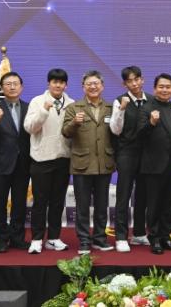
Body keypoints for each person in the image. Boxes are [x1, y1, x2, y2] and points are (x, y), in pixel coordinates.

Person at [62, 70, 115, 255]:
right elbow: (65, 132)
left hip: (104, 164)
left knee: (102, 206)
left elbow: (117, 132)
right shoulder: (73, 108)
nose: (93, 87)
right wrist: (74, 123)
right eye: (89, 84)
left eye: (96, 83)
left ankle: (100, 238)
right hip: (81, 165)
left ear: (102, 86)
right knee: (82, 207)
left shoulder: (111, 108)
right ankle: (84, 240)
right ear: (83, 87)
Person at [137, 73, 171, 255]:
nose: (164, 90)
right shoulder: (146, 108)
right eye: (161, 86)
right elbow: (139, 135)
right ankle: (154, 238)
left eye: (168, 87)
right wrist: (151, 123)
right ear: (154, 89)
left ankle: (166, 236)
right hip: (153, 164)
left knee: (168, 203)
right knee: (154, 203)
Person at [24, 68, 73, 254]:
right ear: (48, 83)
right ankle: (36, 239)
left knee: (57, 202)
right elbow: (30, 127)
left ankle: (53, 238)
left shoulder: (72, 104)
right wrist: (44, 110)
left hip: (63, 159)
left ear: (66, 85)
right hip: (41, 159)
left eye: (61, 82)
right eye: (54, 82)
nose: (58, 85)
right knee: (40, 202)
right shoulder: (37, 101)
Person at [0, 71, 31, 253]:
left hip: (23, 163)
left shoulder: (29, 108)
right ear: (2, 88)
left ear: (21, 87)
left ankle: (17, 238)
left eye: (15, 83)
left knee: (19, 204)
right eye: (8, 84)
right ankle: (2, 239)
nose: (12, 87)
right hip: (0, 163)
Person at [109, 66, 151, 252]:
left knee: (143, 195)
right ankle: (121, 236)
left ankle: (139, 234)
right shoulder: (119, 101)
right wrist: (122, 109)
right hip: (126, 153)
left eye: (137, 79)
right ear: (124, 84)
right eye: (129, 81)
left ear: (142, 80)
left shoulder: (151, 100)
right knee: (123, 195)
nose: (134, 83)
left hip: (147, 154)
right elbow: (115, 130)